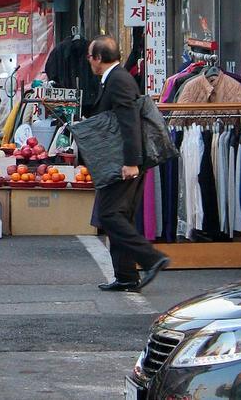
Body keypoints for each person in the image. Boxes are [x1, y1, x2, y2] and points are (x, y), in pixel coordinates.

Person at [88, 36, 169, 292]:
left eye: (90, 57)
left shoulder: (119, 81)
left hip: (126, 161)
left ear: (99, 59)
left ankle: (151, 258)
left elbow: (129, 121)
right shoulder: (115, 78)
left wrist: (131, 162)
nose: (89, 62)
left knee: (110, 214)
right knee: (119, 215)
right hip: (120, 159)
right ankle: (126, 276)